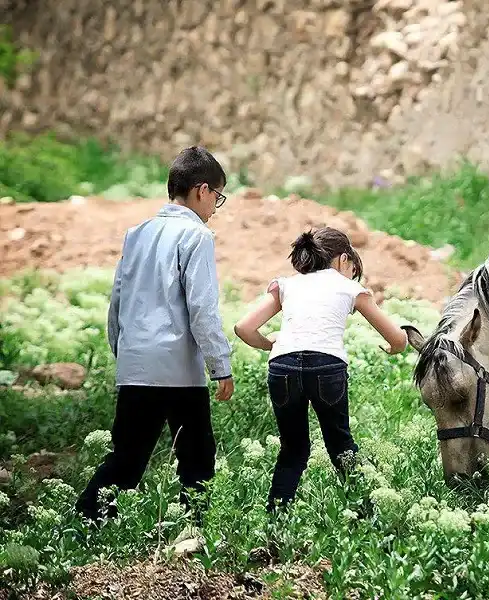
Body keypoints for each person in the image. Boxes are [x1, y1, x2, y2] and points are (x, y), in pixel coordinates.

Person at [75, 146, 234, 553]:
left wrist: (124, 353)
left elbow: (118, 300)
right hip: (178, 369)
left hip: (136, 364)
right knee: (197, 460)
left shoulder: (137, 233)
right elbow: (201, 307)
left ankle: (84, 526)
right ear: (201, 190)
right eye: (218, 195)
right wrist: (221, 364)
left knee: (127, 458)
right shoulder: (196, 235)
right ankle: (192, 538)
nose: (217, 205)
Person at [234, 227, 408, 512]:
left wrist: (269, 344)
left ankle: (276, 522)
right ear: (343, 260)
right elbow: (398, 338)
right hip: (326, 366)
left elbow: (243, 327)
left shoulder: (288, 285)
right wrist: (395, 348)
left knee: (293, 449)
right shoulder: (350, 287)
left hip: (283, 366)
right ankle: (368, 516)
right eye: (353, 268)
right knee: (340, 445)